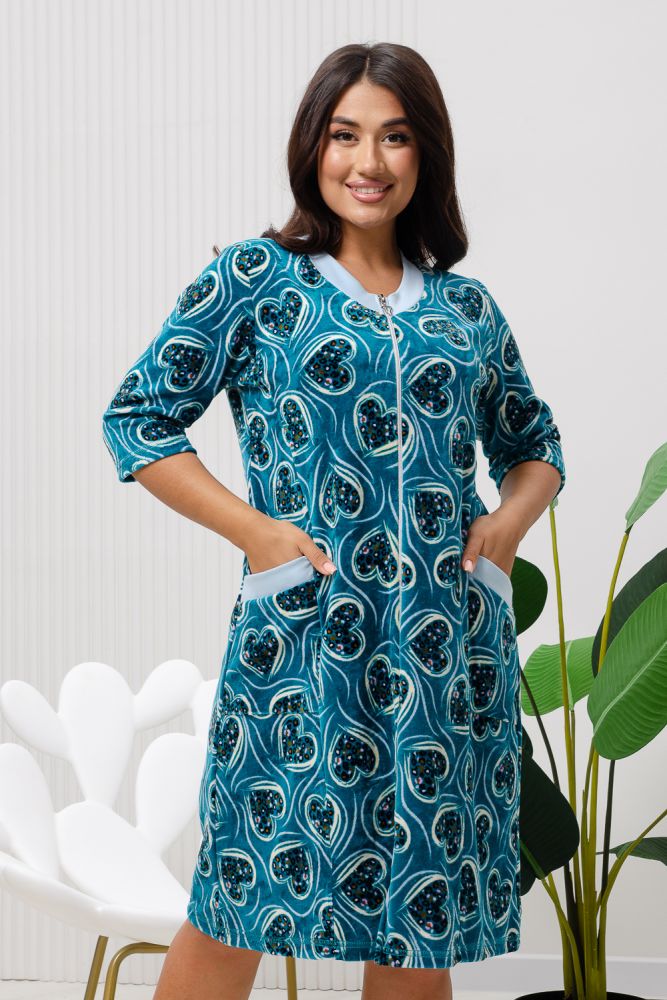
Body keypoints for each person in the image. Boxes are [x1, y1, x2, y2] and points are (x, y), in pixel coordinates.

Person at [102, 41, 565, 1000]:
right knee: (240, 902)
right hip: (305, 647)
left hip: (443, 655)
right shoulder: (257, 278)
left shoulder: (466, 309)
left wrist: (507, 526)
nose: (368, 161)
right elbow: (138, 419)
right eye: (344, 135)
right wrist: (257, 533)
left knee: (413, 928)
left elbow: (535, 444)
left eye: (394, 137)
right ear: (312, 146)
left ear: (425, 153)